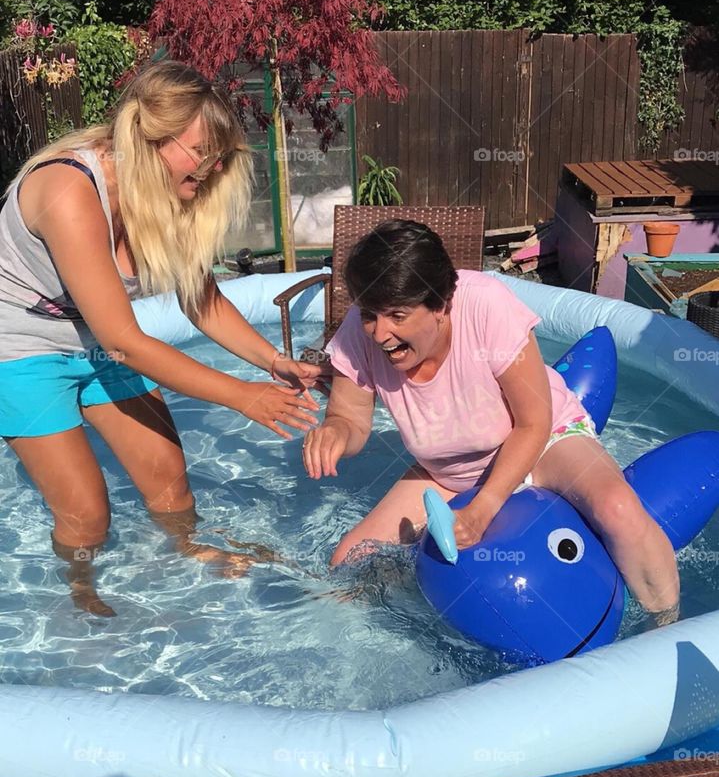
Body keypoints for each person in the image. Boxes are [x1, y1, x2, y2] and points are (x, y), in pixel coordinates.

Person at [0, 59, 319, 615]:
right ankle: (80, 594)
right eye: (200, 154)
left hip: (94, 338)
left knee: (170, 481)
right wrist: (242, 395)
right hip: (19, 348)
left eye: (218, 158)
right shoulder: (70, 189)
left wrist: (272, 362)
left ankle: (185, 548)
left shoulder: (167, 195)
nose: (212, 168)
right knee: (86, 512)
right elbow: (125, 340)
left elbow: (202, 299)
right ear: (151, 137)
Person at [302, 219, 679, 620]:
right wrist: (335, 431)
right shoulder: (359, 335)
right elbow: (351, 417)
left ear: (441, 305)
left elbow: (533, 423)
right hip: (450, 470)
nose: (379, 334)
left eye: (397, 315)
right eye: (370, 315)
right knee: (351, 561)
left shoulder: (485, 306)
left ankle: (665, 628)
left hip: (543, 442)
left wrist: (482, 510)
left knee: (617, 507)